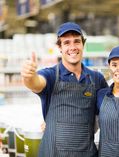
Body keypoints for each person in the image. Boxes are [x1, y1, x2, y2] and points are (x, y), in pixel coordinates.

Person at [21, 22, 108, 157]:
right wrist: (29, 76)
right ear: (59, 47)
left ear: (83, 44)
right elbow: (36, 83)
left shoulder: (97, 79)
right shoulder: (50, 75)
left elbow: (109, 113)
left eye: (77, 42)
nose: (72, 47)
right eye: (67, 43)